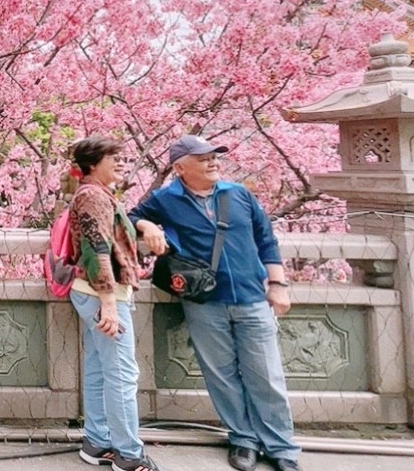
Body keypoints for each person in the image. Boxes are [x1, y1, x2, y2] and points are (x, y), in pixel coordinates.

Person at [129, 135, 300, 471]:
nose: (213, 162)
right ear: (180, 167)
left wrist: (277, 285)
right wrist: (148, 225)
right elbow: (130, 215)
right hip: (205, 301)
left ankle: (281, 447)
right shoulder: (167, 199)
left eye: (215, 156)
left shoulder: (238, 194)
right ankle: (243, 439)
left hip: (252, 297)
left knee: (266, 375)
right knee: (221, 375)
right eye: (203, 157)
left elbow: (266, 238)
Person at [66, 136, 166, 471]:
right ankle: (129, 453)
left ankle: (97, 441)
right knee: (122, 373)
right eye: (114, 158)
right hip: (101, 294)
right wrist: (109, 302)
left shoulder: (95, 194)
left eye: (123, 158)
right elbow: (97, 250)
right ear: (93, 164)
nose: (122, 163)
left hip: (89, 292)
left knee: (99, 368)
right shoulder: (94, 197)